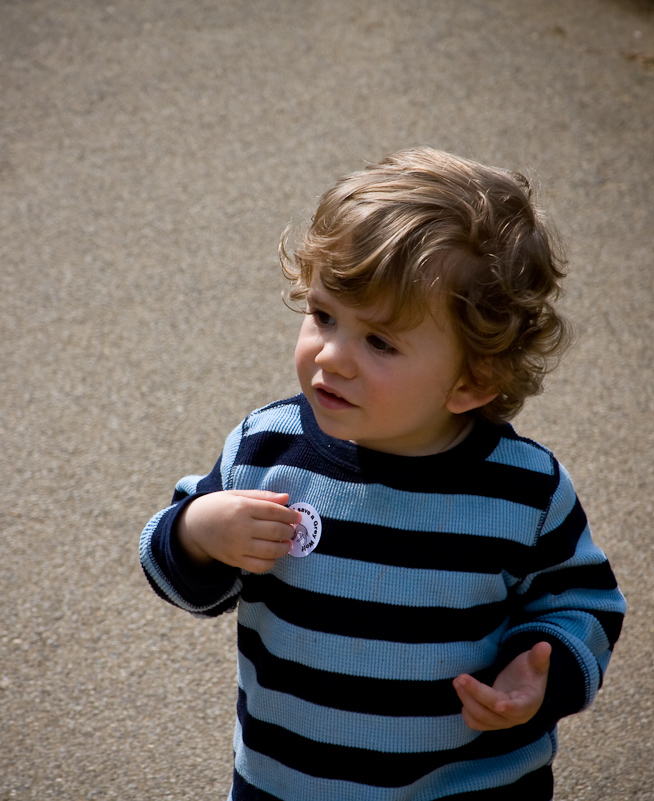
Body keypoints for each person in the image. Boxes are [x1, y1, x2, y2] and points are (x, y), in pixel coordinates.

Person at [139, 146, 626, 801]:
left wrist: (541, 673)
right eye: (322, 315)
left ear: (473, 379)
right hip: (287, 783)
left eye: (380, 341)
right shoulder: (267, 447)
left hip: (468, 786)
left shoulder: (521, 490)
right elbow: (177, 565)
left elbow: (582, 604)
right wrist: (199, 533)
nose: (331, 356)